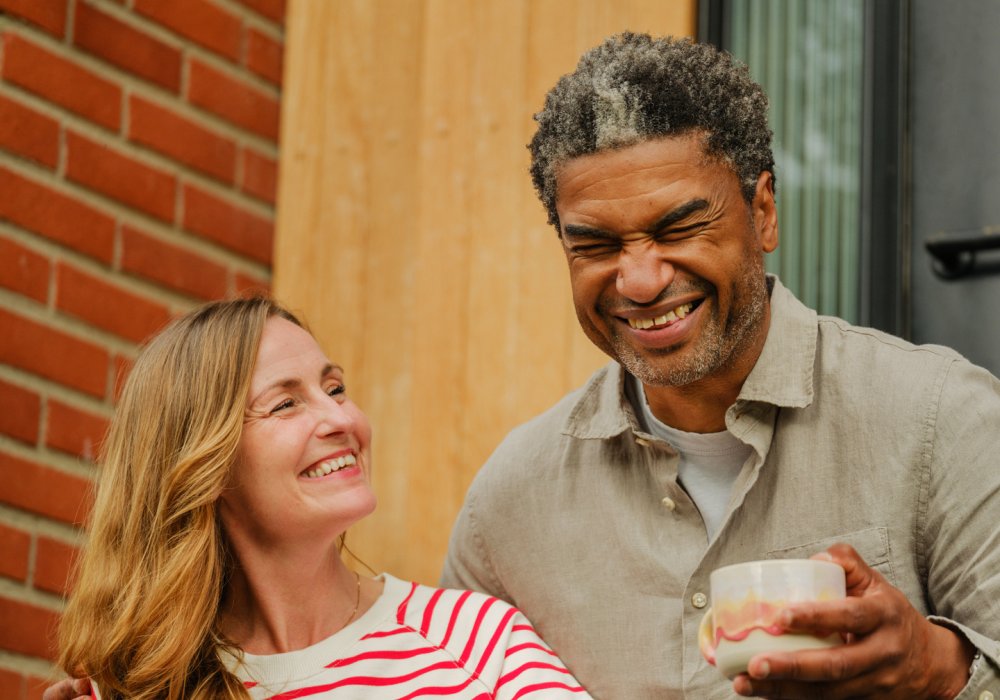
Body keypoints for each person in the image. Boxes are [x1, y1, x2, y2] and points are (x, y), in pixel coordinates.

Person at [440, 32, 1000, 699]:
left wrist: (935, 669)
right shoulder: (507, 510)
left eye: (679, 228)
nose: (641, 281)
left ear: (763, 212)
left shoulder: (944, 420)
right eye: (595, 245)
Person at [49, 297, 590, 700]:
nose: (341, 418)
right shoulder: (141, 687)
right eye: (285, 404)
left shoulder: (477, 643)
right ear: (203, 464)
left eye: (334, 389)